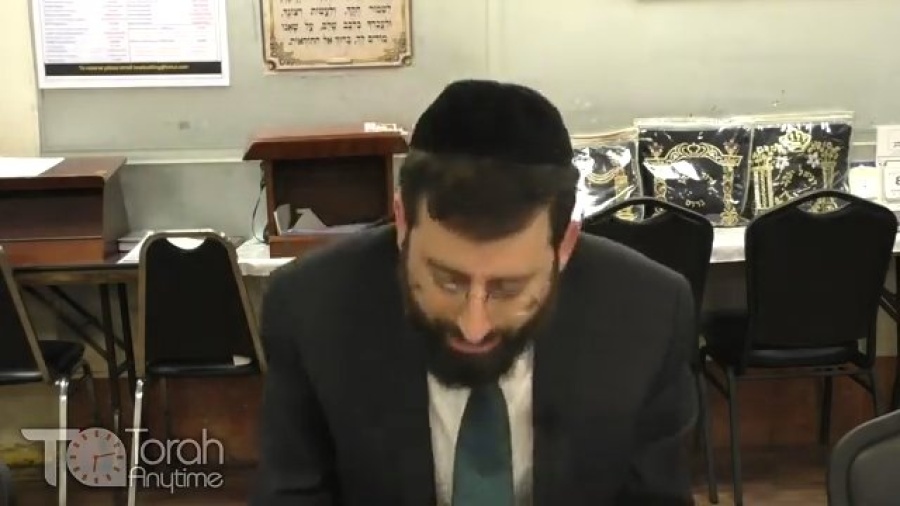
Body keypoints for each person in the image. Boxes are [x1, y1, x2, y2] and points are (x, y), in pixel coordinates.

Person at [251, 79, 698, 506]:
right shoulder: (310, 309)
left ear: (564, 246)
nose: (474, 325)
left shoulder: (649, 314)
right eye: (447, 281)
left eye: (508, 288)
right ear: (402, 223)